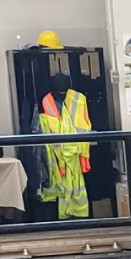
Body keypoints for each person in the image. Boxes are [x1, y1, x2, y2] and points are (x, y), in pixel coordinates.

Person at [39, 73, 92, 219]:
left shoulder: (78, 99)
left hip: (75, 150)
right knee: (64, 184)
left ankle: (76, 212)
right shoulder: (47, 102)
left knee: (74, 184)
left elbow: (85, 124)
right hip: (58, 152)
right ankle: (70, 212)